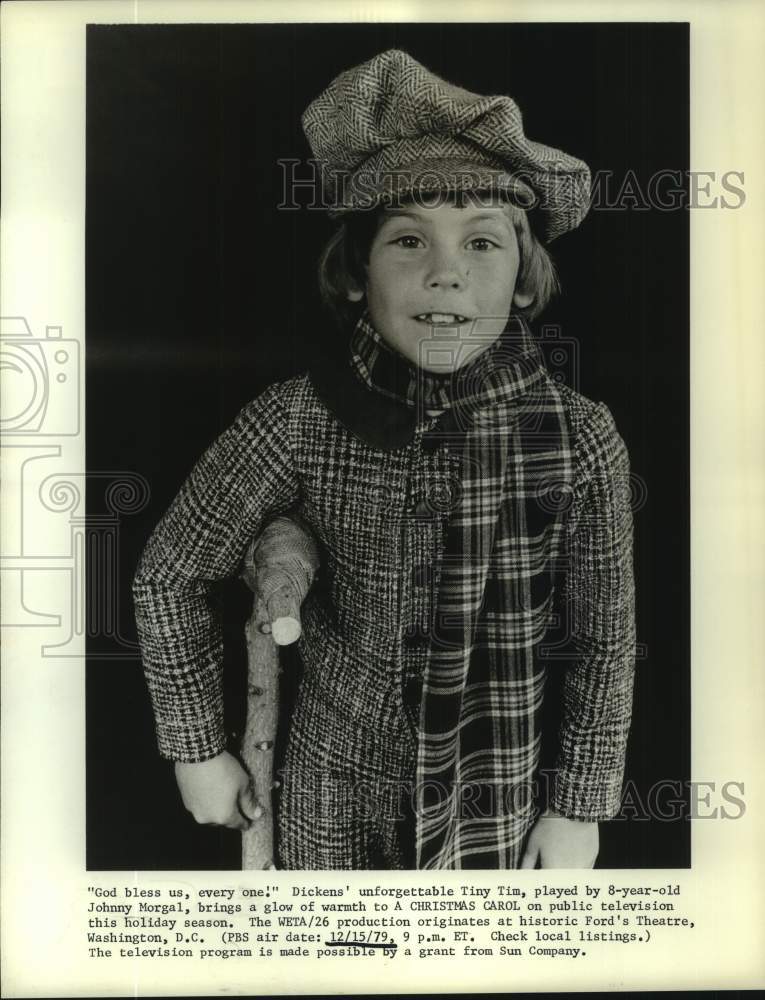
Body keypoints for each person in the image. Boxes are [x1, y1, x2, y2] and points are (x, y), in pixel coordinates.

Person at [133, 49, 636, 870]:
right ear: (356, 272)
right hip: (328, 789)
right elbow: (168, 577)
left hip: (496, 794)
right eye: (408, 241)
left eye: (481, 243)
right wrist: (197, 748)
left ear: (521, 281)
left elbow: (603, 640)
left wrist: (577, 805)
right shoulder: (298, 418)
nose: (445, 275)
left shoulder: (577, 438)